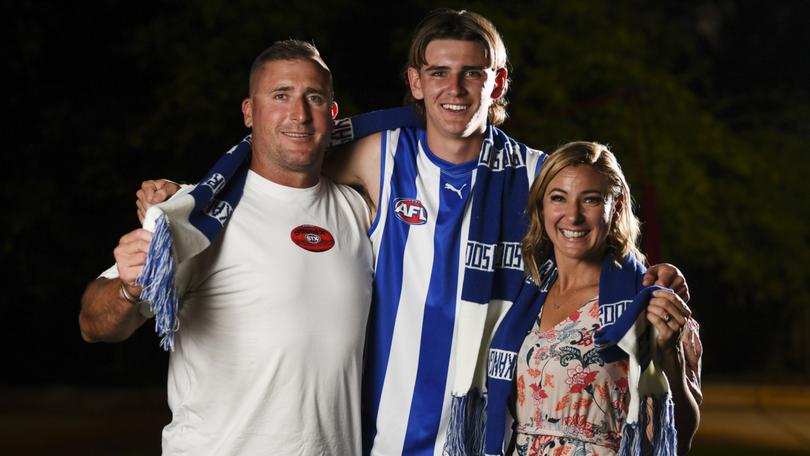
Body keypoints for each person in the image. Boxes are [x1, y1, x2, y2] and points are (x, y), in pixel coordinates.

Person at [137, 9, 695, 455]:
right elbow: (279, 159)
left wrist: (648, 279)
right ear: (416, 81)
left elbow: (594, 230)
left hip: (485, 432)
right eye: (438, 72)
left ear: (497, 82)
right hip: (384, 431)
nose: (456, 87)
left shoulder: (532, 174)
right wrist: (191, 196)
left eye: (473, 72)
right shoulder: (380, 153)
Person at [79, 40, 373, 455]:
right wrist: (129, 289)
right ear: (249, 112)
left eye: (314, 98)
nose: (299, 114)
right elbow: (94, 325)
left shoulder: (360, 213)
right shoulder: (200, 213)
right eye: (280, 95)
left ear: (333, 112)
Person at [484, 142, 701, 455]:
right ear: (541, 206)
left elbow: (679, 439)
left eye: (591, 200)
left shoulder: (645, 299)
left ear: (616, 206)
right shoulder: (521, 295)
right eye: (558, 198)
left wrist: (671, 356)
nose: (573, 216)